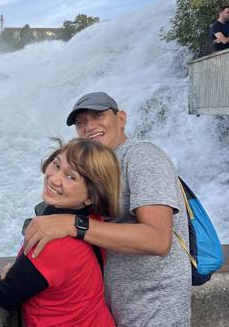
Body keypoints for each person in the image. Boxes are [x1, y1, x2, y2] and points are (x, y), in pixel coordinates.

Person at [23, 92, 191, 327]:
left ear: (121, 118)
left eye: (98, 116)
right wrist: (28, 269)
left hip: (155, 310)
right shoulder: (99, 168)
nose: (89, 126)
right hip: (116, 308)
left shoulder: (142, 156)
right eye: (81, 122)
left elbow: (158, 239)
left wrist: (73, 224)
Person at [0, 138, 119, 327]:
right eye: (56, 165)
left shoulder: (52, 245)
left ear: (90, 197)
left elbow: (5, 296)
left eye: (71, 177)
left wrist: (10, 273)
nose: (53, 179)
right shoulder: (93, 222)